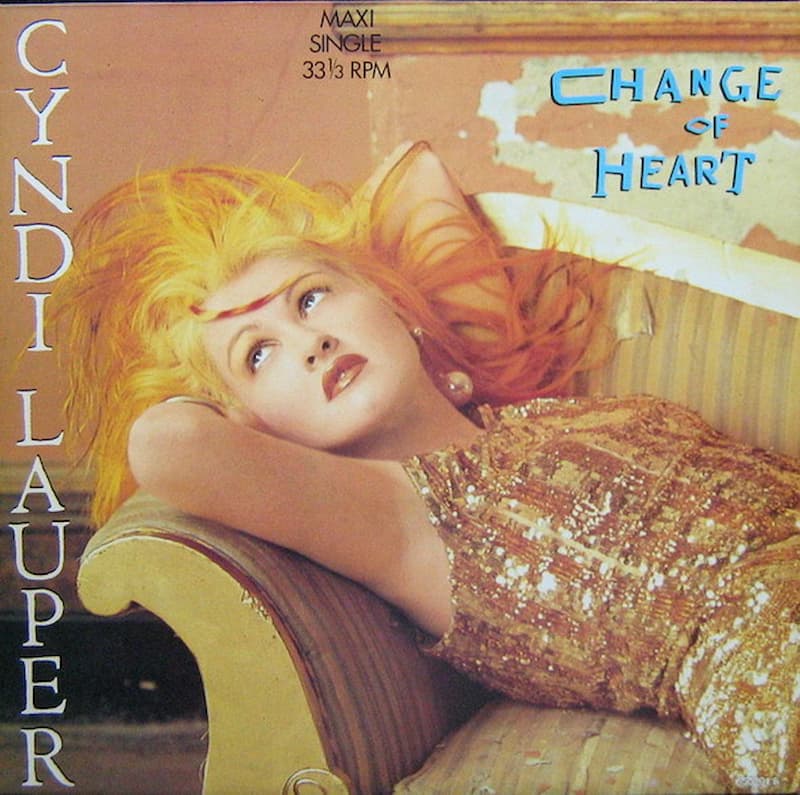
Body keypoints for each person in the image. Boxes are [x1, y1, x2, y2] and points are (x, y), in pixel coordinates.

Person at [54, 142, 798, 793]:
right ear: (252, 421)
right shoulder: (388, 513)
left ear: (396, 307)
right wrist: (243, 414)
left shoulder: (530, 419)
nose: (309, 342)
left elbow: (418, 168)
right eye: (259, 353)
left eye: (311, 298)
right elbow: (166, 445)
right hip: (768, 650)